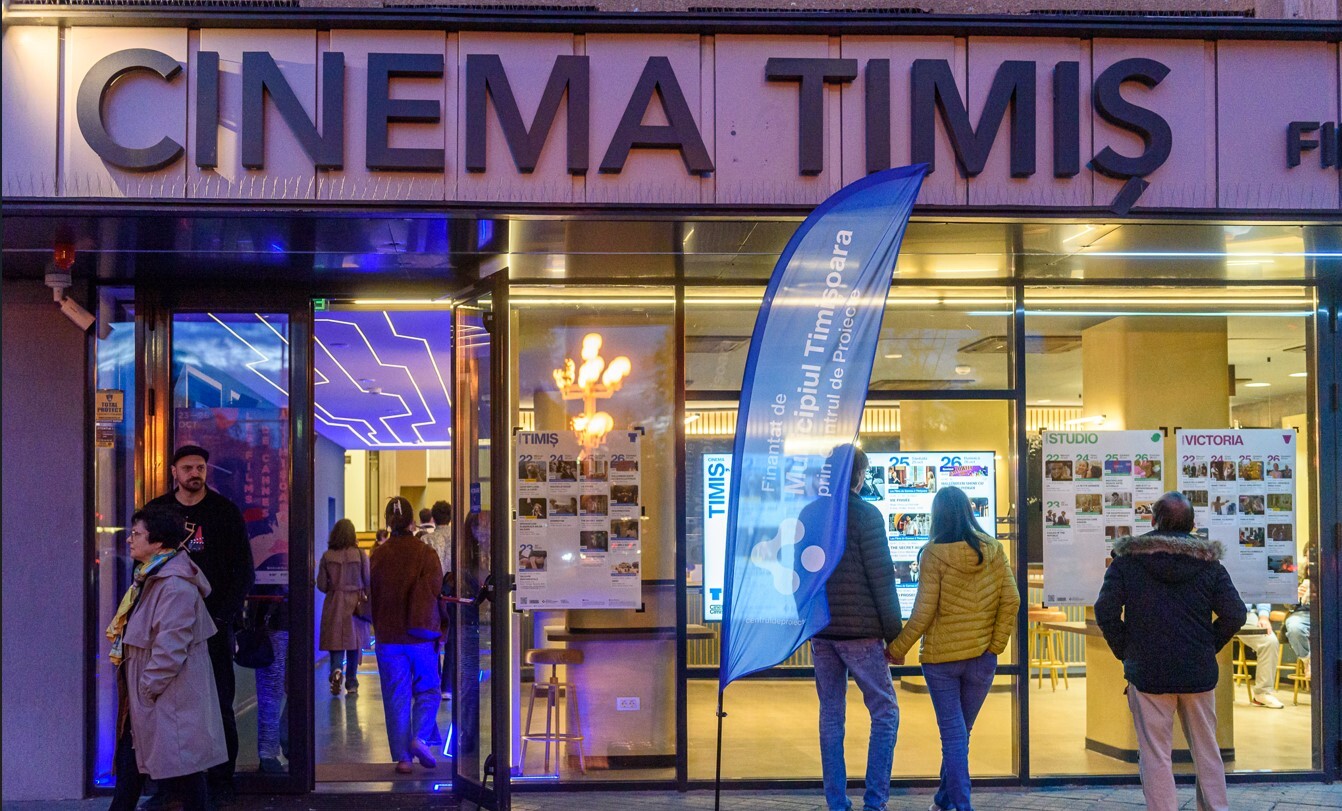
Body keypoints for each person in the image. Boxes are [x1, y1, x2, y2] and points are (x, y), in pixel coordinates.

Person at [1094, 491, 1243, 811]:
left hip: (1148, 673)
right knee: (1207, 750)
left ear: (1153, 521)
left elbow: (1105, 611)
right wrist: (1207, 646)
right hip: (1198, 673)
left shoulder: (1127, 561)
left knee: (1155, 754)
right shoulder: (1209, 564)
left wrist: (1127, 651)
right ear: (1192, 525)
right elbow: (1235, 613)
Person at [886, 486, 1019, 811]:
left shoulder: (933, 554)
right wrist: (994, 647)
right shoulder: (993, 549)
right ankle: (944, 800)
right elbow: (1012, 600)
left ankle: (962, 804)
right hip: (981, 660)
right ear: (968, 512)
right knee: (960, 733)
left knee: (953, 735)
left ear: (937, 516)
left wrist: (897, 649)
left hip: (942, 662)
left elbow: (923, 612)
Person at [144, 445, 252, 804]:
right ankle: (167, 784)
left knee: (219, 703)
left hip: (213, 626)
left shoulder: (224, 512)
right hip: (166, 627)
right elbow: (143, 566)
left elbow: (243, 570)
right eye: (188, 467)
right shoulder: (158, 512)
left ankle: (221, 781)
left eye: (201, 467)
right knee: (166, 705)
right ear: (174, 472)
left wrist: (223, 617)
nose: (195, 473)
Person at [107, 505, 226, 811]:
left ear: (158, 542)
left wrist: (147, 688)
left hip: (166, 696)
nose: (130, 539)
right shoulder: (151, 576)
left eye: (137, 534)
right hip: (150, 697)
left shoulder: (173, 585)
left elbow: (170, 647)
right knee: (140, 765)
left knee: (184, 770)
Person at [807, 447, 903, 811]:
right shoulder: (866, 515)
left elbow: (800, 575)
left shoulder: (811, 514)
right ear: (859, 477)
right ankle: (875, 802)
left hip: (823, 633)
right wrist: (895, 636)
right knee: (885, 712)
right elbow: (882, 579)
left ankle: (836, 802)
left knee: (831, 714)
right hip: (862, 635)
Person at [370, 496, 444, 774]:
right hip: (421, 636)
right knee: (428, 689)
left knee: (396, 697)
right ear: (412, 522)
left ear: (388, 522)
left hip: (388, 638)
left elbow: (371, 596)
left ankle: (403, 758)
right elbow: (437, 591)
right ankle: (420, 738)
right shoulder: (426, 553)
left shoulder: (378, 556)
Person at [317, 518, 371, 697]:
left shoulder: (327, 556)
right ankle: (352, 683)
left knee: (336, 641)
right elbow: (367, 580)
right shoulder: (361, 555)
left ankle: (336, 669)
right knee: (354, 644)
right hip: (356, 604)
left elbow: (322, 585)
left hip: (334, 603)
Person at [420, 501, 455, 699]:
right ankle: (447, 686)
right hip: (454, 592)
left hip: (432, 594)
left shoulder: (427, 540)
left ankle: (435, 679)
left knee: (434, 637)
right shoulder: (457, 539)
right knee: (452, 640)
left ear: (433, 518)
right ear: (450, 517)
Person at [1239, 601, 1285, 708]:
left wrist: (1264, 616)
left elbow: (1261, 594)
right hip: (1208, 611)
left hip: (1243, 613)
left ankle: (1262, 693)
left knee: (1269, 641)